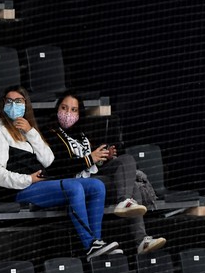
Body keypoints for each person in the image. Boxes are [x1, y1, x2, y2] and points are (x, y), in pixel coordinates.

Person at [0, 85, 119, 261]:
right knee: (74, 187)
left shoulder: (26, 131)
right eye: (9, 101)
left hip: (39, 185)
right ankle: (89, 244)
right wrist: (28, 179)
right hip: (19, 191)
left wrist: (31, 132)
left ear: (26, 104)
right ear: (3, 105)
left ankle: (97, 241)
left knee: (97, 186)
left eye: (18, 101)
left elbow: (48, 160)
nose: (13, 105)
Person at [45, 91, 166, 255]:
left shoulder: (82, 135)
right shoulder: (49, 135)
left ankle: (126, 204)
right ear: (57, 108)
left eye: (74, 110)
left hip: (94, 176)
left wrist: (104, 157)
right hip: (75, 184)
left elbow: (93, 164)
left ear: (80, 114)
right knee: (134, 188)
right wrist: (90, 158)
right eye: (64, 108)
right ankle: (140, 238)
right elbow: (56, 166)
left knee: (126, 160)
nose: (68, 113)